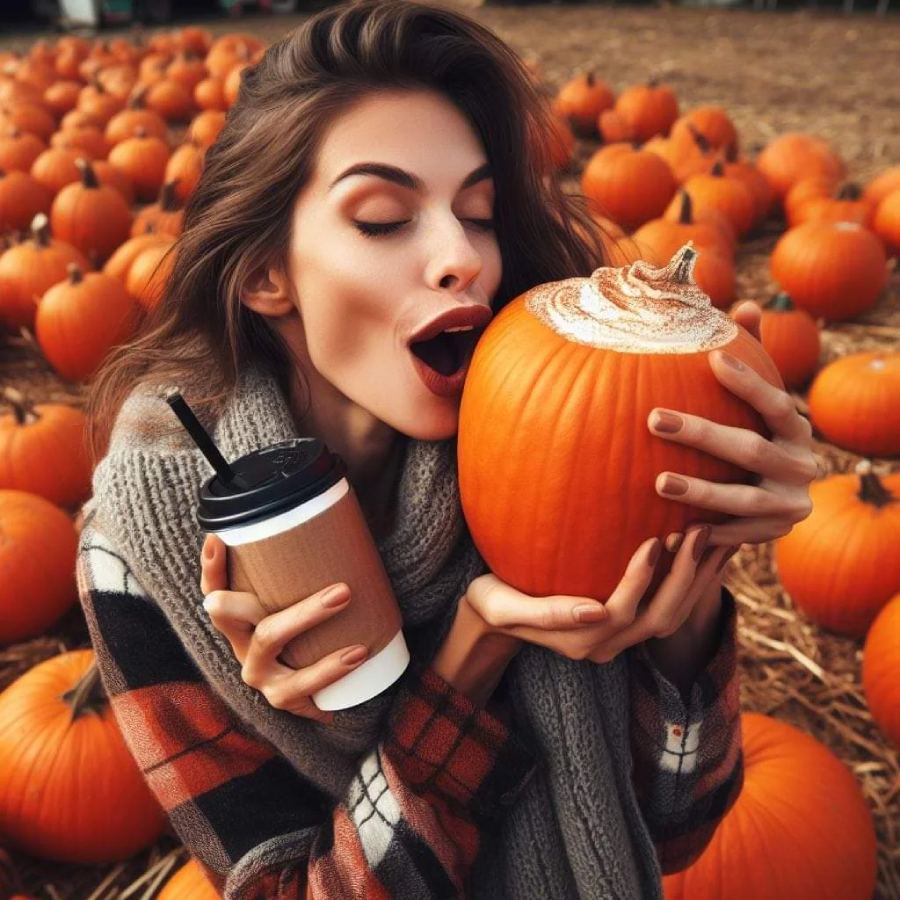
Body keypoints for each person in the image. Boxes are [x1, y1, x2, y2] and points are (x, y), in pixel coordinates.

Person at [75, 2, 817, 897]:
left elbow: (679, 832)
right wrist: (469, 659)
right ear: (267, 273)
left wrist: (695, 584)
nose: (460, 255)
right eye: (384, 218)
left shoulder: (572, 438)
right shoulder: (137, 545)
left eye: (480, 211)